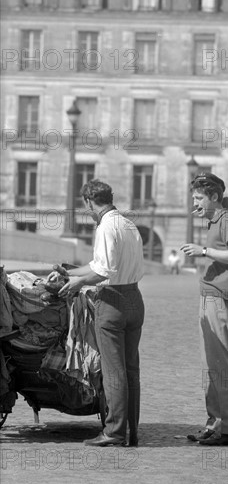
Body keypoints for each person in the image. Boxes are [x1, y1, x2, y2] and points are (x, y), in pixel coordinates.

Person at [48, 179, 145, 447]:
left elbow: (103, 271)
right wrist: (71, 271)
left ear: (89, 202)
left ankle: (113, 432)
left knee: (113, 371)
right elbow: (99, 264)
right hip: (135, 298)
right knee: (131, 370)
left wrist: (77, 283)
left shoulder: (105, 227)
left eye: (87, 206)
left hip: (112, 302)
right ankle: (131, 432)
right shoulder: (128, 224)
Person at [180, 172, 228, 446]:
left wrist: (204, 251)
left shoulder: (227, 220)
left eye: (198, 198)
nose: (194, 204)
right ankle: (214, 423)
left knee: (221, 367)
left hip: (219, 299)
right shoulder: (216, 220)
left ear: (215, 197)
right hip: (209, 297)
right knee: (211, 367)